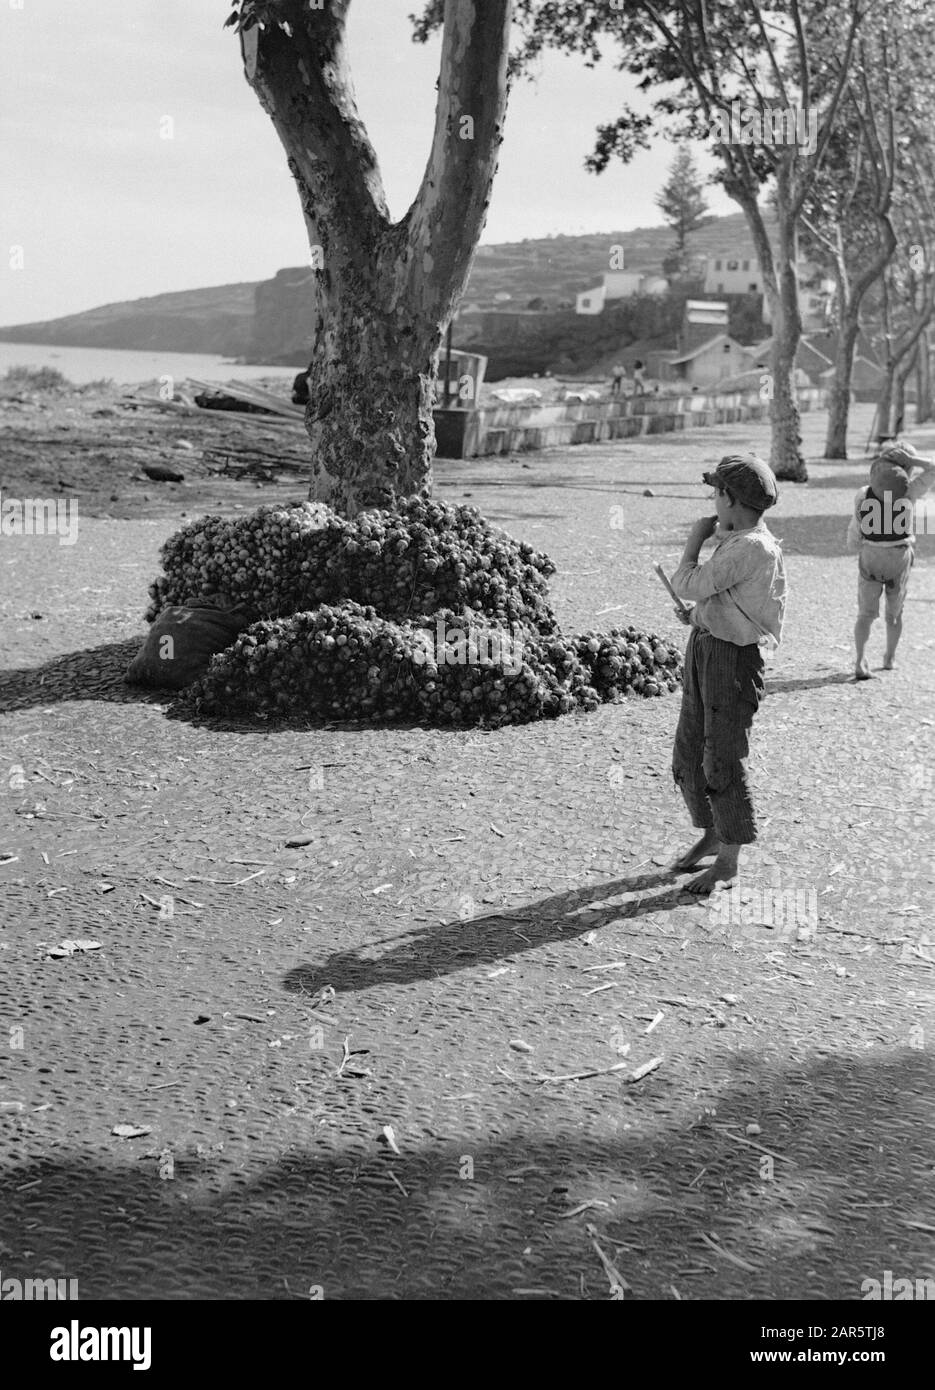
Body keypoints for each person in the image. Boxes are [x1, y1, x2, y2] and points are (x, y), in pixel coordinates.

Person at [669, 453, 786, 894]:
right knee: (688, 753)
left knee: (721, 757)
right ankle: (714, 832)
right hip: (706, 649)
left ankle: (729, 860)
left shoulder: (751, 547)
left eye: (715, 493)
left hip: (731, 663)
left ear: (729, 498)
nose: (711, 502)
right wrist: (701, 617)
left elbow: (689, 583)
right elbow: (719, 598)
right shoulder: (740, 539)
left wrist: (693, 540)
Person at [847, 441, 935, 680]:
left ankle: (859, 660)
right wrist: (913, 461)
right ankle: (889, 658)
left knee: (865, 614)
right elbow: (934, 468)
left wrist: (856, 547)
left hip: (870, 556)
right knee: (894, 613)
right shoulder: (910, 492)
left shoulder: (864, 493)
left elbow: (855, 531)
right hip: (899, 557)